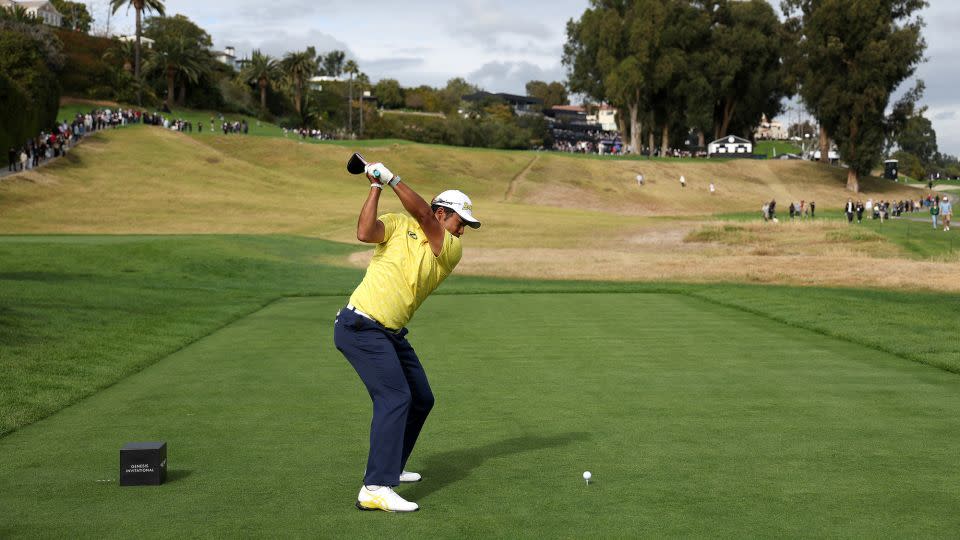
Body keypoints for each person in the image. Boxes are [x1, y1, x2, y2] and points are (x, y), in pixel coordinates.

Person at [334, 160, 481, 513]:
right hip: (360, 326)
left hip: (390, 334)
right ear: (444, 213)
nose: (462, 232)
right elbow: (365, 233)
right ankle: (376, 486)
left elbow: (425, 220)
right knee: (395, 397)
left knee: (420, 398)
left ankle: (392, 466)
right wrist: (375, 186)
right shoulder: (399, 223)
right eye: (461, 223)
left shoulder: (448, 248)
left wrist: (390, 178)